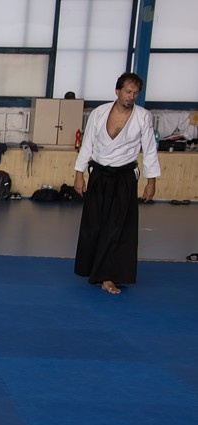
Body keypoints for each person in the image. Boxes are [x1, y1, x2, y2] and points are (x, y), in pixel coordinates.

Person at [73, 72, 160, 295]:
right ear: (117, 91)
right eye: (128, 91)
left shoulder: (143, 117)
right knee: (95, 225)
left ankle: (109, 276)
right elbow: (88, 143)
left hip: (125, 176)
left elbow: (150, 150)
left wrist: (151, 182)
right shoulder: (99, 113)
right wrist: (79, 173)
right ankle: (94, 269)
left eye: (136, 93)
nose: (132, 96)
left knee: (117, 228)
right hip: (99, 174)